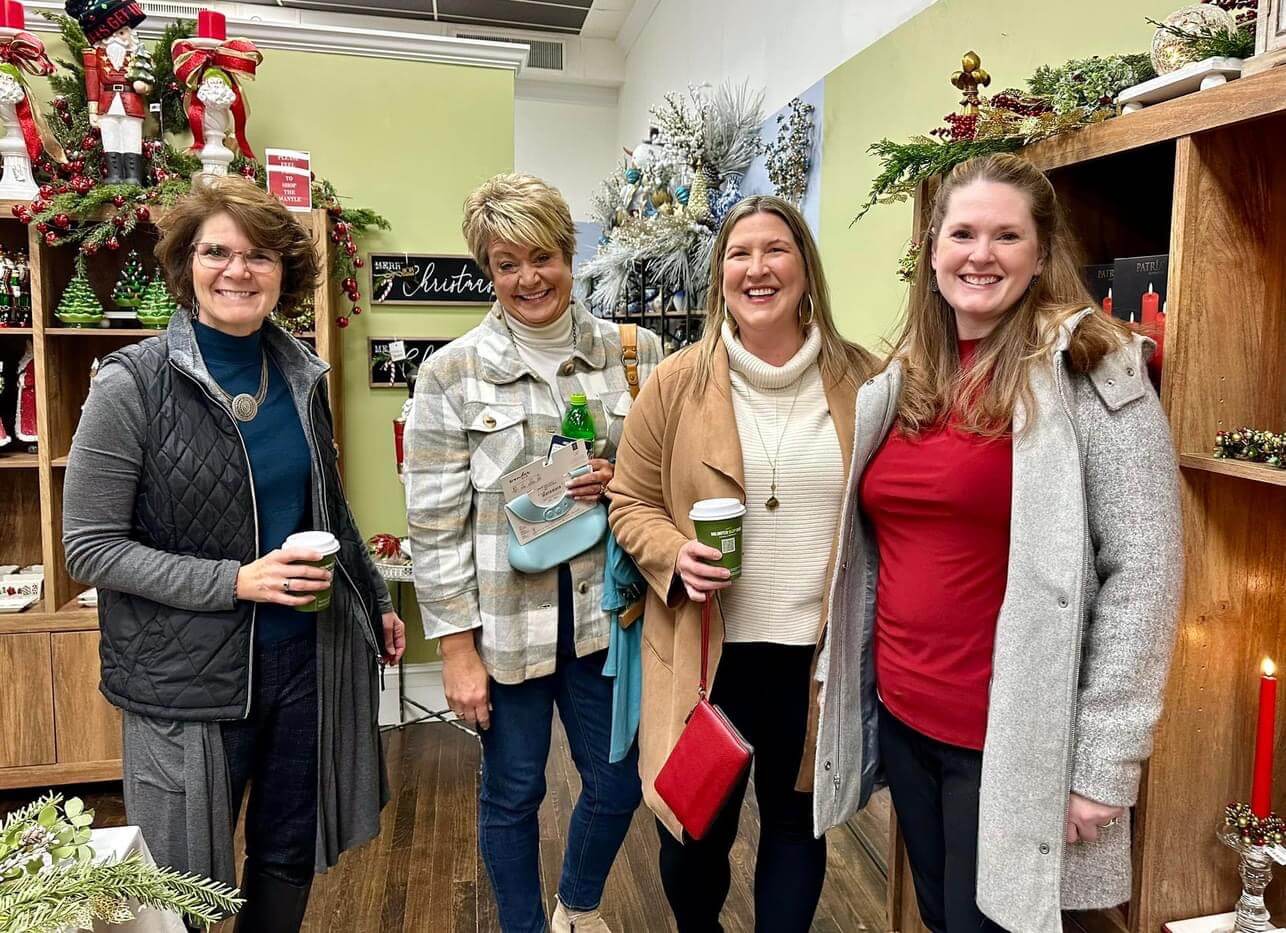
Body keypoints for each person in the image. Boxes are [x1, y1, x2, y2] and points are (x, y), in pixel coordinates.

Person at [812, 154, 1183, 933]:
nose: (980, 254)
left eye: (1007, 236)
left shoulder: (1093, 371)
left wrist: (1104, 763)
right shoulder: (906, 379)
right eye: (963, 233)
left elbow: (1145, 570)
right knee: (941, 915)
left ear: (1041, 254)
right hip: (907, 716)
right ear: (933, 251)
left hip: (1011, 739)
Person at [63, 175, 406, 933]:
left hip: (304, 659)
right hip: (186, 680)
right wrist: (235, 581)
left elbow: (327, 507)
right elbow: (89, 547)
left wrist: (375, 598)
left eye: (259, 256)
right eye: (217, 252)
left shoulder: (300, 375)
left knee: (286, 851)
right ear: (185, 263)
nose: (237, 271)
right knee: (182, 882)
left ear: (285, 272)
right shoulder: (130, 384)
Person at [608, 195, 878, 932]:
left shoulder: (866, 381)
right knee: (693, 837)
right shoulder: (675, 384)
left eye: (775, 250)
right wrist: (674, 553)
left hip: (815, 661)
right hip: (707, 656)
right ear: (720, 275)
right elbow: (629, 500)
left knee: (796, 829)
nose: (758, 268)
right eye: (739, 254)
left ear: (806, 268)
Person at [404, 172, 660, 933]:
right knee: (513, 791)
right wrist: (456, 651)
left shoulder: (635, 354)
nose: (528, 278)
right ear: (488, 270)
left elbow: (668, 480)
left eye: (542, 257)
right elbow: (434, 524)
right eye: (506, 263)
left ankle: (575, 909)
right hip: (505, 627)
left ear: (569, 254)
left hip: (606, 621)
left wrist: (623, 480)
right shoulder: (451, 373)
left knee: (616, 784)